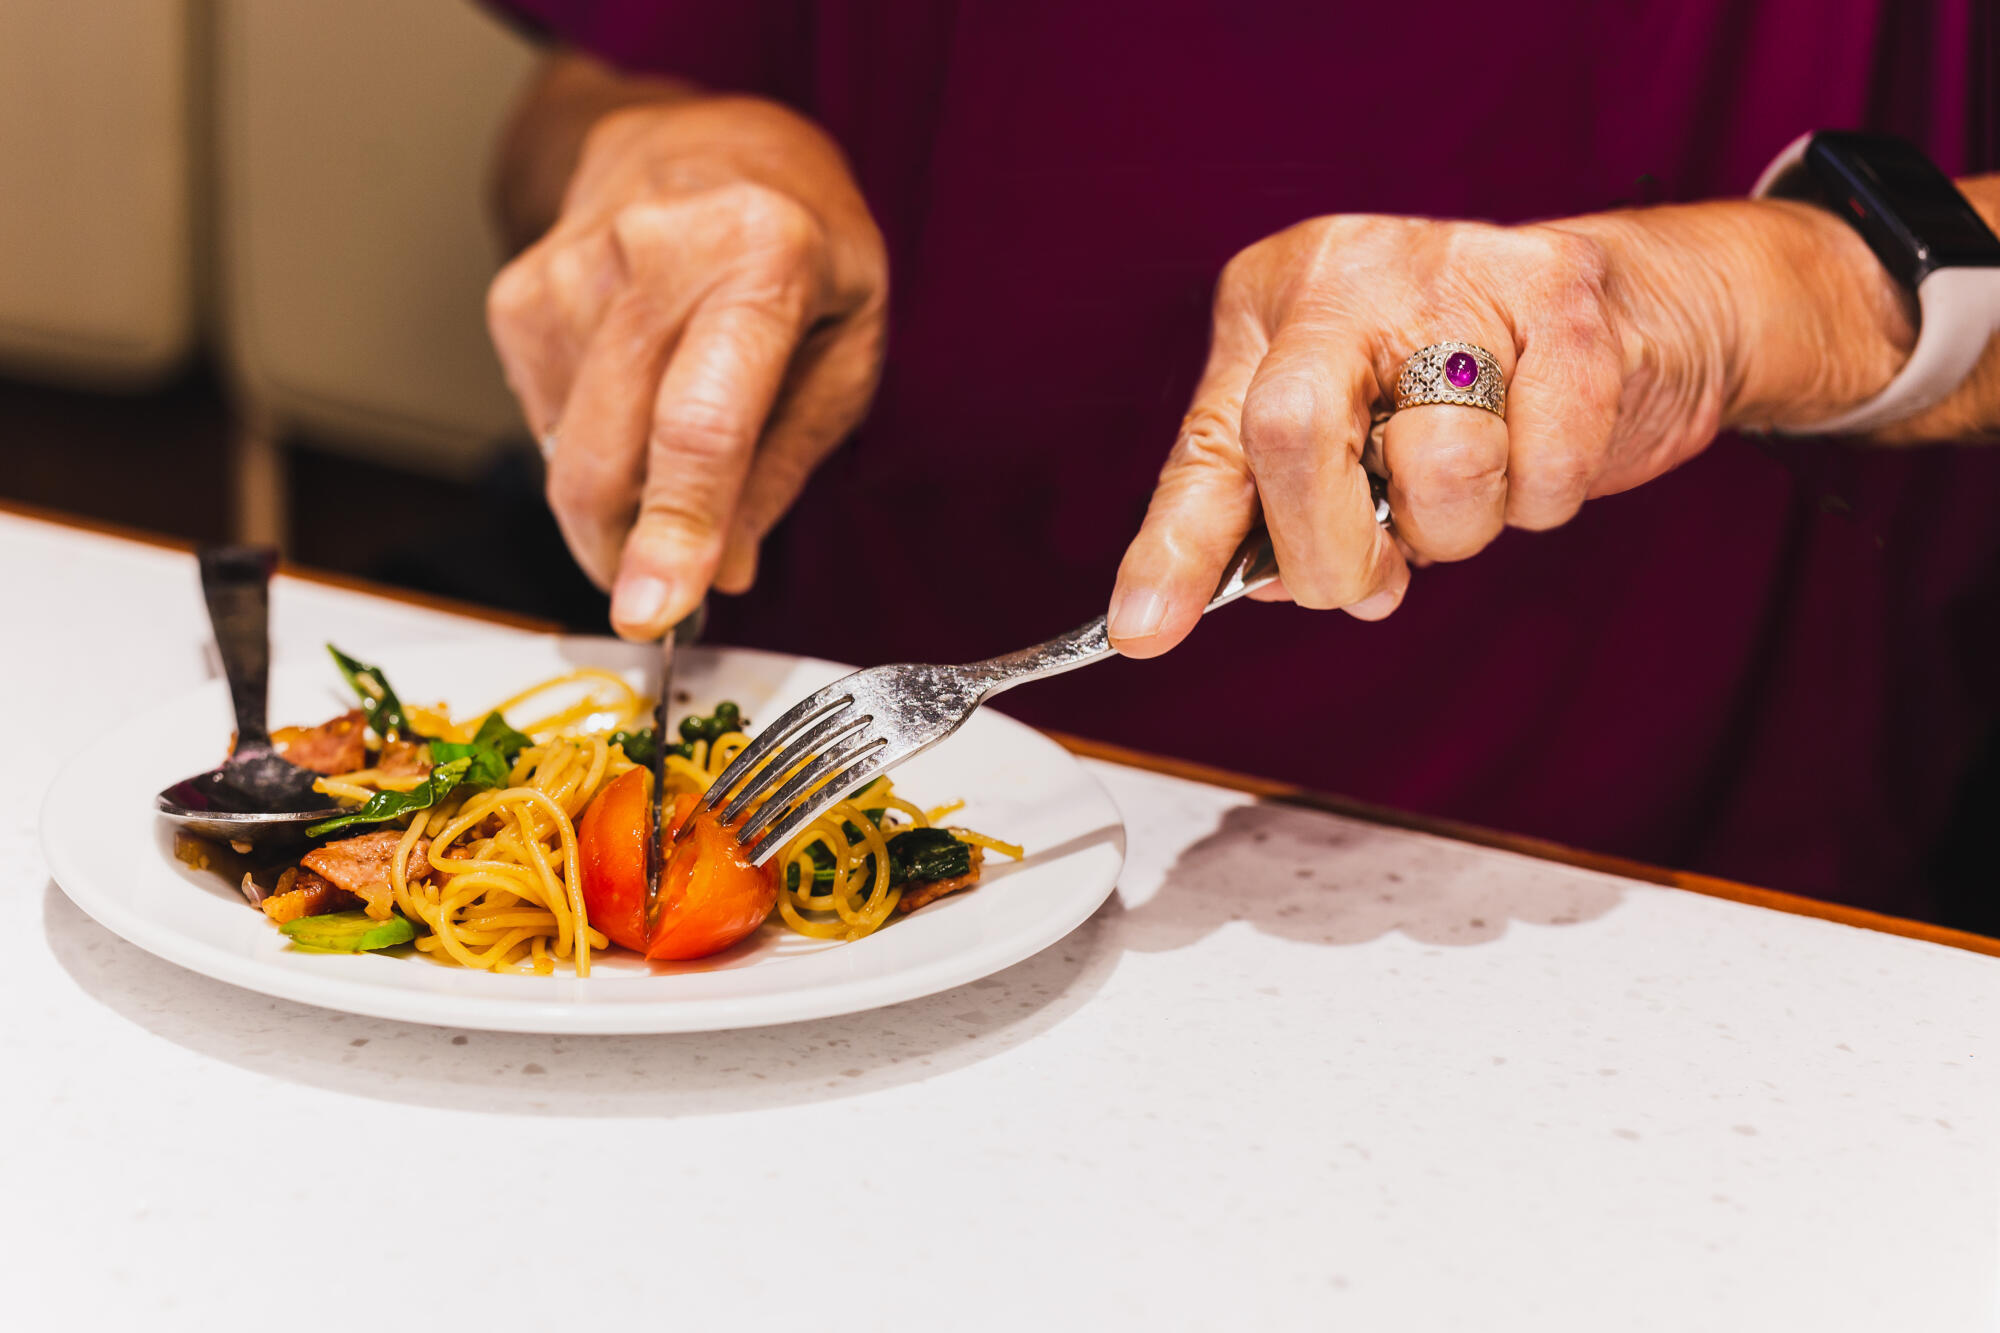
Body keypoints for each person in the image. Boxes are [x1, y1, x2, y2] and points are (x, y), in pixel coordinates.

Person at [480, 1, 2000, 920]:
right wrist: (676, 154)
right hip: (868, 841)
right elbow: (595, 88)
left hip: (1687, 893)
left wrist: (1759, 294)